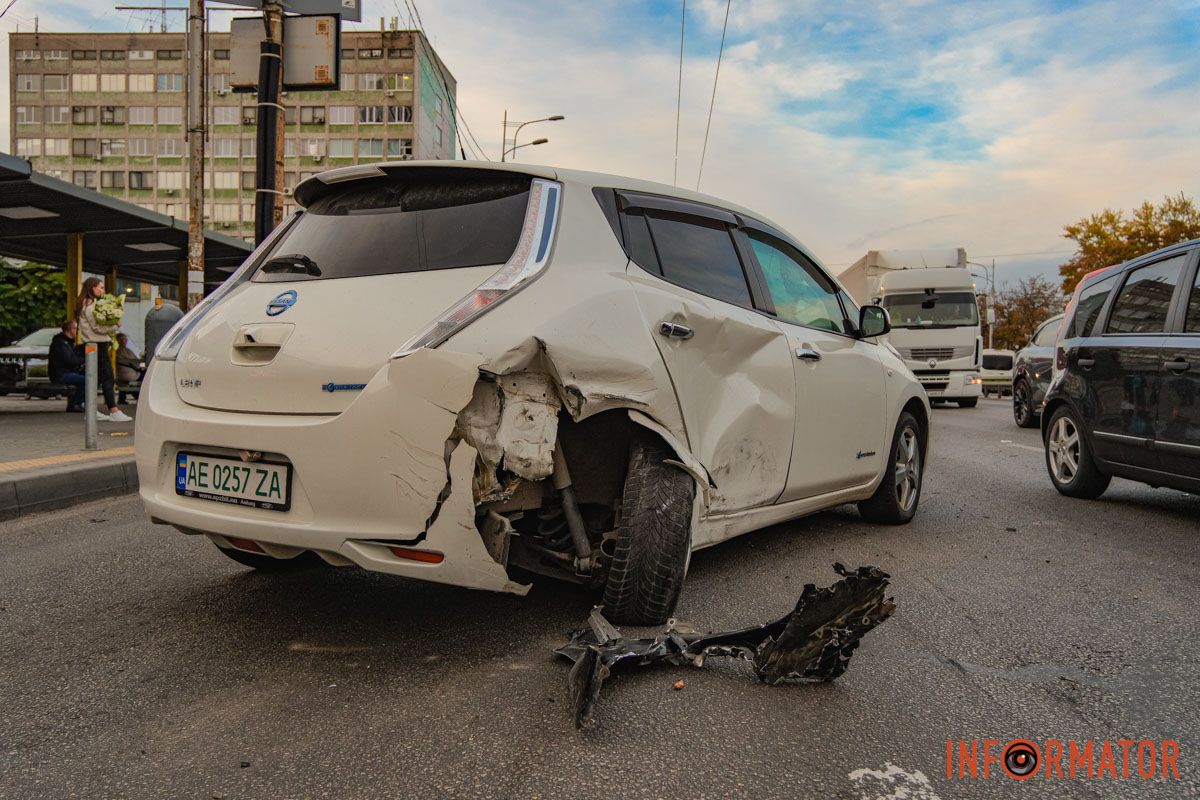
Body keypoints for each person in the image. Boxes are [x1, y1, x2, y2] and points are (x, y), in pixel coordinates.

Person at [76, 276, 133, 423]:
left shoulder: (84, 303)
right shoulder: (89, 306)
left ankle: (91, 409)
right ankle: (113, 410)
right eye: (100, 287)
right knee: (107, 377)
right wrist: (115, 326)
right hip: (97, 344)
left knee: (94, 378)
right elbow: (96, 327)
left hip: (91, 344)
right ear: (92, 288)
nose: (103, 290)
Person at [48, 320, 86, 412]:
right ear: (70, 329)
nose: (77, 331)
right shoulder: (60, 343)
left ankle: (78, 403)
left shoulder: (68, 342)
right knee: (87, 380)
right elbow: (70, 360)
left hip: (67, 371)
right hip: (60, 374)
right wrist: (85, 360)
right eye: (76, 328)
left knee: (92, 376)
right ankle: (76, 404)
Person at [115, 333, 143, 404]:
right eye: (122, 339)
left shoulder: (120, 350)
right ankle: (140, 396)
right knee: (144, 377)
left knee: (124, 384)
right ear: (118, 341)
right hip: (128, 374)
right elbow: (135, 361)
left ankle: (124, 398)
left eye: (125, 339)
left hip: (121, 374)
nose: (124, 341)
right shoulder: (123, 351)